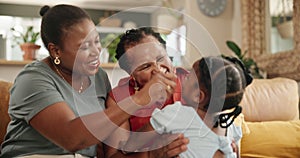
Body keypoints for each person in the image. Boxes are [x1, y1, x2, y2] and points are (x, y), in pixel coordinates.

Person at [0, 4, 188, 157]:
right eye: (84, 47)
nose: (96, 52)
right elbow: (71, 138)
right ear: (56, 51)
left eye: (96, 41)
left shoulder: (98, 78)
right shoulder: (32, 79)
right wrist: (139, 99)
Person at [121, 56, 253, 157]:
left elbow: (130, 146)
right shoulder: (231, 128)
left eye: (190, 77)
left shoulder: (176, 114)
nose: (184, 78)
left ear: (198, 96)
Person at [104, 27, 190, 157]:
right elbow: (114, 156)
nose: (158, 70)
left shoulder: (189, 81)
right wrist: (152, 155)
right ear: (131, 75)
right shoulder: (120, 98)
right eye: (145, 66)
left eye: (161, 58)